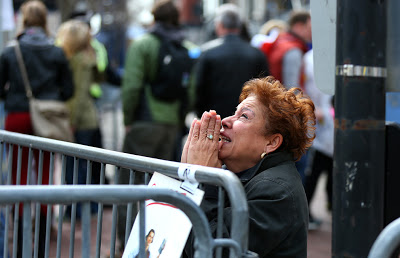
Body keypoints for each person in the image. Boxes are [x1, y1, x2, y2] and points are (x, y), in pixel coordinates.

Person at [182, 76, 316, 257]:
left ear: (271, 142)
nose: (226, 121)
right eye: (234, 113)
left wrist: (205, 180)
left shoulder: (277, 192)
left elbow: (213, 251)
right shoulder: (242, 174)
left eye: (244, 116)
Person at [118, 0, 196, 253]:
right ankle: (158, 249)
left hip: (144, 124)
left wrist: (128, 120)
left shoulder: (143, 44)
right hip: (171, 126)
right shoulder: (184, 47)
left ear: (154, 17)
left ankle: (127, 247)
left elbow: (131, 87)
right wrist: (178, 118)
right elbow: (190, 91)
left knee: (130, 188)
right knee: (161, 190)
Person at [0, 1, 74, 257]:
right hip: (48, 119)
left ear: (23, 20)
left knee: (18, 177)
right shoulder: (56, 52)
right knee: (45, 176)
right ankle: (42, 242)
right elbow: (70, 89)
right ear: (44, 20)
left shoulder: (12, 51)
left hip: (18, 117)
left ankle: (20, 243)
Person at [56, 19, 103, 217]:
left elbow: (77, 95)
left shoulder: (77, 60)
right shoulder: (89, 56)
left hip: (79, 120)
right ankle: (86, 207)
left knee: (74, 168)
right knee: (82, 166)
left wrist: (71, 122)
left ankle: (76, 209)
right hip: (88, 119)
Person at [193, 3, 268, 120]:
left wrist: (201, 114)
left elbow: (199, 89)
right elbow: (265, 88)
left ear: (219, 25)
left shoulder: (207, 52)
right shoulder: (256, 53)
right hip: (247, 119)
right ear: (240, 26)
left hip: (216, 119)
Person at [302, 49, 334, 230]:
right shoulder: (312, 58)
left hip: (324, 124)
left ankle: (330, 205)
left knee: (323, 168)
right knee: (314, 170)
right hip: (319, 125)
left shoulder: (310, 57)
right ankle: (307, 212)